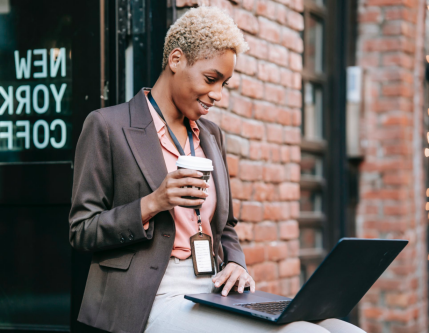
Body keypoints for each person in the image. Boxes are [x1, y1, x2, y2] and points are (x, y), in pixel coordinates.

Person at [69, 6, 365, 333]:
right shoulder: (107, 126)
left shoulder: (210, 135)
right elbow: (82, 230)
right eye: (212, 79)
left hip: (213, 289)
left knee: (344, 329)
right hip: (150, 296)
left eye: (224, 83)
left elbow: (227, 228)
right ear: (176, 60)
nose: (218, 95)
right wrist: (153, 202)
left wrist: (237, 264)